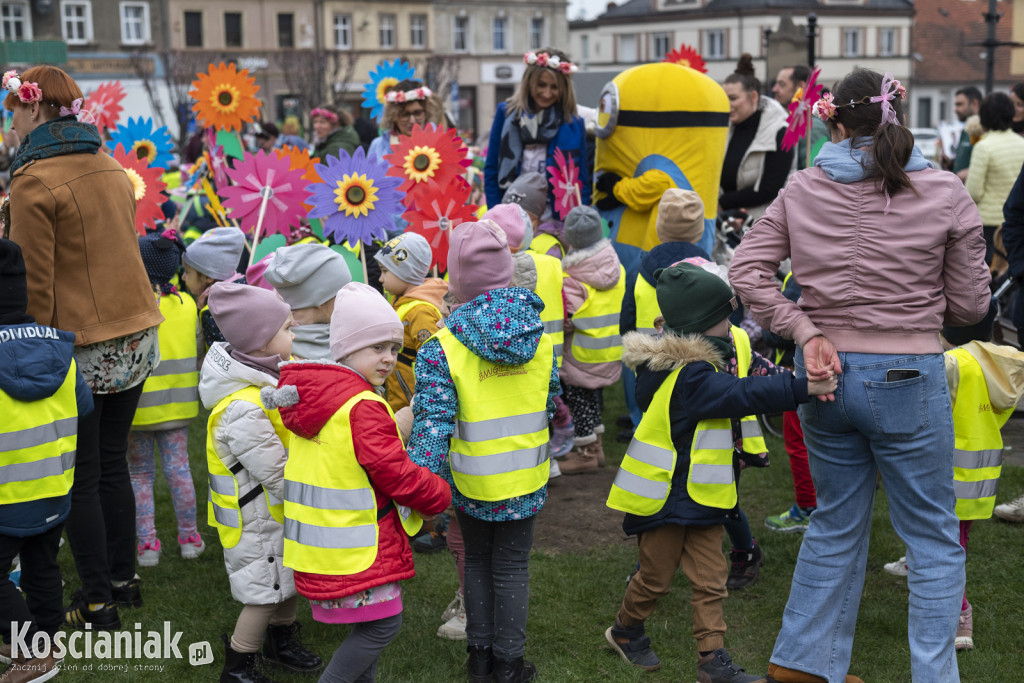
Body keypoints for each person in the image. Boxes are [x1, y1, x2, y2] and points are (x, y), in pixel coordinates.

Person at [729, 68, 991, 683]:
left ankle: (803, 666)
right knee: (931, 537)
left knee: (834, 522)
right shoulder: (945, 190)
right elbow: (973, 307)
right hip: (905, 371)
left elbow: (746, 272)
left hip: (826, 375)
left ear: (834, 122)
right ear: (896, 116)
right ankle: (931, 674)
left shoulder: (801, 189)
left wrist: (805, 330)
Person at [605, 262, 833, 682]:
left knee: (712, 580)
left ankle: (713, 662)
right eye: (723, 319)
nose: (731, 327)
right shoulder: (690, 375)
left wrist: (798, 377)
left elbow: (753, 377)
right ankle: (625, 629)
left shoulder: (704, 361)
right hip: (664, 499)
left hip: (704, 496)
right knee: (655, 580)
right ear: (698, 325)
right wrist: (803, 389)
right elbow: (741, 393)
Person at [6, 65, 165, 630]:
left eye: (10, 111)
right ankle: (123, 579)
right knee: (111, 465)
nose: (8, 123)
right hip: (138, 332)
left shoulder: (33, 180)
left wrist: (26, 357)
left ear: (33, 111)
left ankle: (97, 600)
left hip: (84, 343)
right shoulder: (110, 166)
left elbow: (32, 286)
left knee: (83, 475)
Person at [263, 281, 451, 683]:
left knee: (368, 626)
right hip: (358, 547)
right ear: (345, 349)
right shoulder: (363, 405)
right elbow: (395, 472)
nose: (388, 359)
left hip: (323, 548)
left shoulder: (318, 398)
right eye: (376, 348)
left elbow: (350, 456)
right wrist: (437, 493)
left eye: (394, 349)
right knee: (383, 627)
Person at [408, 221, 560, 683]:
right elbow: (549, 400)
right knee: (512, 565)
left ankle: (480, 660)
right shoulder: (542, 341)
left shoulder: (441, 349)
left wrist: (418, 489)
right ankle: (509, 664)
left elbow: (432, 426)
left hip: (470, 479)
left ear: (456, 283)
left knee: (476, 559)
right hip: (526, 477)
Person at [200, 282, 323, 681]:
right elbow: (274, 471)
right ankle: (240, 663)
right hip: (256, 521)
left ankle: (281, 641)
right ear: (262, 340)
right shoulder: (242, 409)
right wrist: (314, 497)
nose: (295, 334)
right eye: (288, 328)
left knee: (286, 583)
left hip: (275, 515)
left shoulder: (265, 383)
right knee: (264, 595)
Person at [0, 239, 93, 681]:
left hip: (5, 495)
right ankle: (46, 641)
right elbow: (84, 406)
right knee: (42, 563)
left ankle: (32, 652)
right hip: (55, 487)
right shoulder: (61, 352)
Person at [128, 229, 203, 568]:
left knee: (139, 475)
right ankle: (189, 538)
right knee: (179, 470)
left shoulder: (130, 306)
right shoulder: (188, 305)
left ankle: (147, 547)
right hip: (178, 405)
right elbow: (198, 350)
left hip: (137, 410)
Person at [619, 189, 709, 433]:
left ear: (659, 227)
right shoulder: (711, 271)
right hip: (695, 361)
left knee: (651, 420)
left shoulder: (639, 268)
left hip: (648, 360)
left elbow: (627, 318)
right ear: (699, 230)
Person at [485, 48, 591, 213]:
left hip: (557, 219)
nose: (547, 93)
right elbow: (492, 169)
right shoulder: (505, 114)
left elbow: (581, 180)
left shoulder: (574, 124)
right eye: (541, 85)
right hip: (510, 215)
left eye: (554, 87)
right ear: (529, 83)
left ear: (563, 89)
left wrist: (577, 219)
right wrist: (496, 213)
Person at [559, 205, 624, 474]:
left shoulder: (572, 279)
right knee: (593, 399)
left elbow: (567, 320)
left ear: (570, 239)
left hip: (581, 354)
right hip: (608, 350)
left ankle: (586, 454)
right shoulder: (616, 267)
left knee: (579, 400)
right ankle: (597, 447)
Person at [372, 232, 447, 412]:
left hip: (414, 406)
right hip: (400, 403)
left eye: (385, 271)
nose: (380, 279)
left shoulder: (420, 311)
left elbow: (434, 360)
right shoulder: (403, 302)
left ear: (406, 272)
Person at [721, 54, 795, 221]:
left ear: (753, 97)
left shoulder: (780, 131)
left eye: (733, 98)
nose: (727, 104)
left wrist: (723, 203)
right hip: (726, 222)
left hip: (763, 223)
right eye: (724, 98)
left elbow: (770, 188)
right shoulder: (726, 127)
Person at [263, 242, 352, 361]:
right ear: (322, 299)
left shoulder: (347, 334)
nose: (349, 298)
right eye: (341, 293)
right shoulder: (283, 356)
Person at [965, 91, 1024, 265]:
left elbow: (973, 192)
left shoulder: (983, 147)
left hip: (989, 224)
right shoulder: (1022, 143)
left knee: (991, 278)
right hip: (1018, 223)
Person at [181, 226, 247, 350]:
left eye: (187, 272)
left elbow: (219, 360)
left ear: (208, 277)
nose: (183, 278)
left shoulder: (213, 312)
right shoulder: (243, 290)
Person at [367, 79, 446, 159]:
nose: (412, 120)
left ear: (426, 113)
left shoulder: (441, 142)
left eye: (417, 113)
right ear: (393, 116)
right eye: (405, 114)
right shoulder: (378, 146)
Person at [771, 65, 828, 169]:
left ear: (800, 88)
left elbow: (813, 175)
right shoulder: (793, 122)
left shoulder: (812, 127)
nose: (774, 89)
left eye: (782, 84)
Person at [942, 87, 982, 179]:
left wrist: (967, 174)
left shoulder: (980, 129)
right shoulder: (966, 129)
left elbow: (983, 164)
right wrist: (950, 163)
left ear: (974, 104)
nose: (955, 109)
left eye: (959, 104)